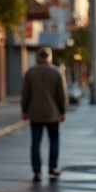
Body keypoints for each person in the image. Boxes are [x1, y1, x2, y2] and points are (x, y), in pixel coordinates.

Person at [21, 46, 67, 182]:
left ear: (38, 57)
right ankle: (52, 167)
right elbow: (61, 94)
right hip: (52, 114)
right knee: (54, 140)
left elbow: (25, 94)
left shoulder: (30, 72)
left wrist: (24, 110)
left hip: (35, 114)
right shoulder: (56, 72)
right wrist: (63, 110)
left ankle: (37, 172)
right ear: (49, 57)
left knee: (36, 142)